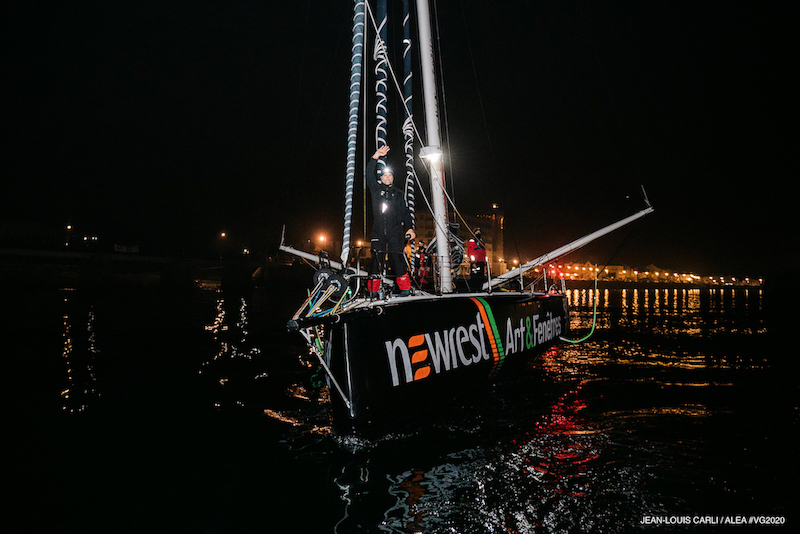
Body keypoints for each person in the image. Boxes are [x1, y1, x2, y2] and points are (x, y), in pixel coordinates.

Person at [366, 145, 416, 297]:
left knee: (397, 258)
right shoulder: (375, 190)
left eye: (390, 176)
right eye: (385, 176)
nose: (387, 178)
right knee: (376, 260)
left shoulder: (398, 193)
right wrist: (375, 157)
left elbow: (405, 212)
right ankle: (373, 291)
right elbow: (369, 173)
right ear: (381, 177)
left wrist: (410, 227)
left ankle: (405, 289)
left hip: (395, 231)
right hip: (378, 231)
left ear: (393, 178)